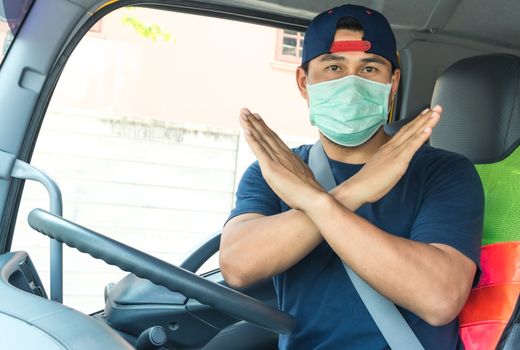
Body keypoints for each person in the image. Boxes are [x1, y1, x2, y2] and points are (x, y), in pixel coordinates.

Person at [220, 4, 484, 349]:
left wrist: (319, 203)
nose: (351, 83)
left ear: (393, 83)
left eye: (369, 68)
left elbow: (439, 299)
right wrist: (355, 191)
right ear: (304, 82)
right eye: (333, 67)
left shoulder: (444, 171)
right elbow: (238, 266)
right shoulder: (277, 169)